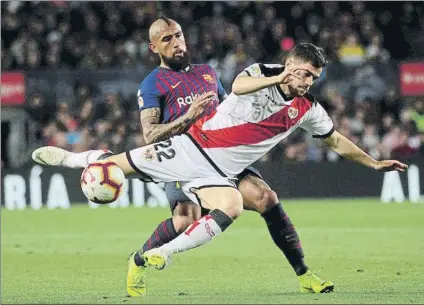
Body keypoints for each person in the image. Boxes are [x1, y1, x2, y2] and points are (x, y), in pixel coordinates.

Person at [32, 42, 407, 295]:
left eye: (313, 78)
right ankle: (73, 159)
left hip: (220, 173)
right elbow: (241, 85)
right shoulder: (261, 73)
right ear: (290, 65)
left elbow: (336, 140)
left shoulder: (308, 109)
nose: (307, 82)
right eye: (304, 73)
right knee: (117, 166)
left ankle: (168, 255)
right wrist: (279, 77)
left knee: (241, 204)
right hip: (190, 148)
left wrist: (373, 162)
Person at [128, 15, 331, 297]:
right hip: (183, 159)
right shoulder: (152, 84)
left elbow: (229, 108)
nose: (176, 43)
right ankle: (138, 259)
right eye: (167, 39)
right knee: (186, 220)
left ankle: (305, 274)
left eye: (179, 35)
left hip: (225, 155)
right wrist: (189, 116)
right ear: (153, 48)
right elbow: (149, 135)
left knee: (266, 198)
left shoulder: (207, 73)